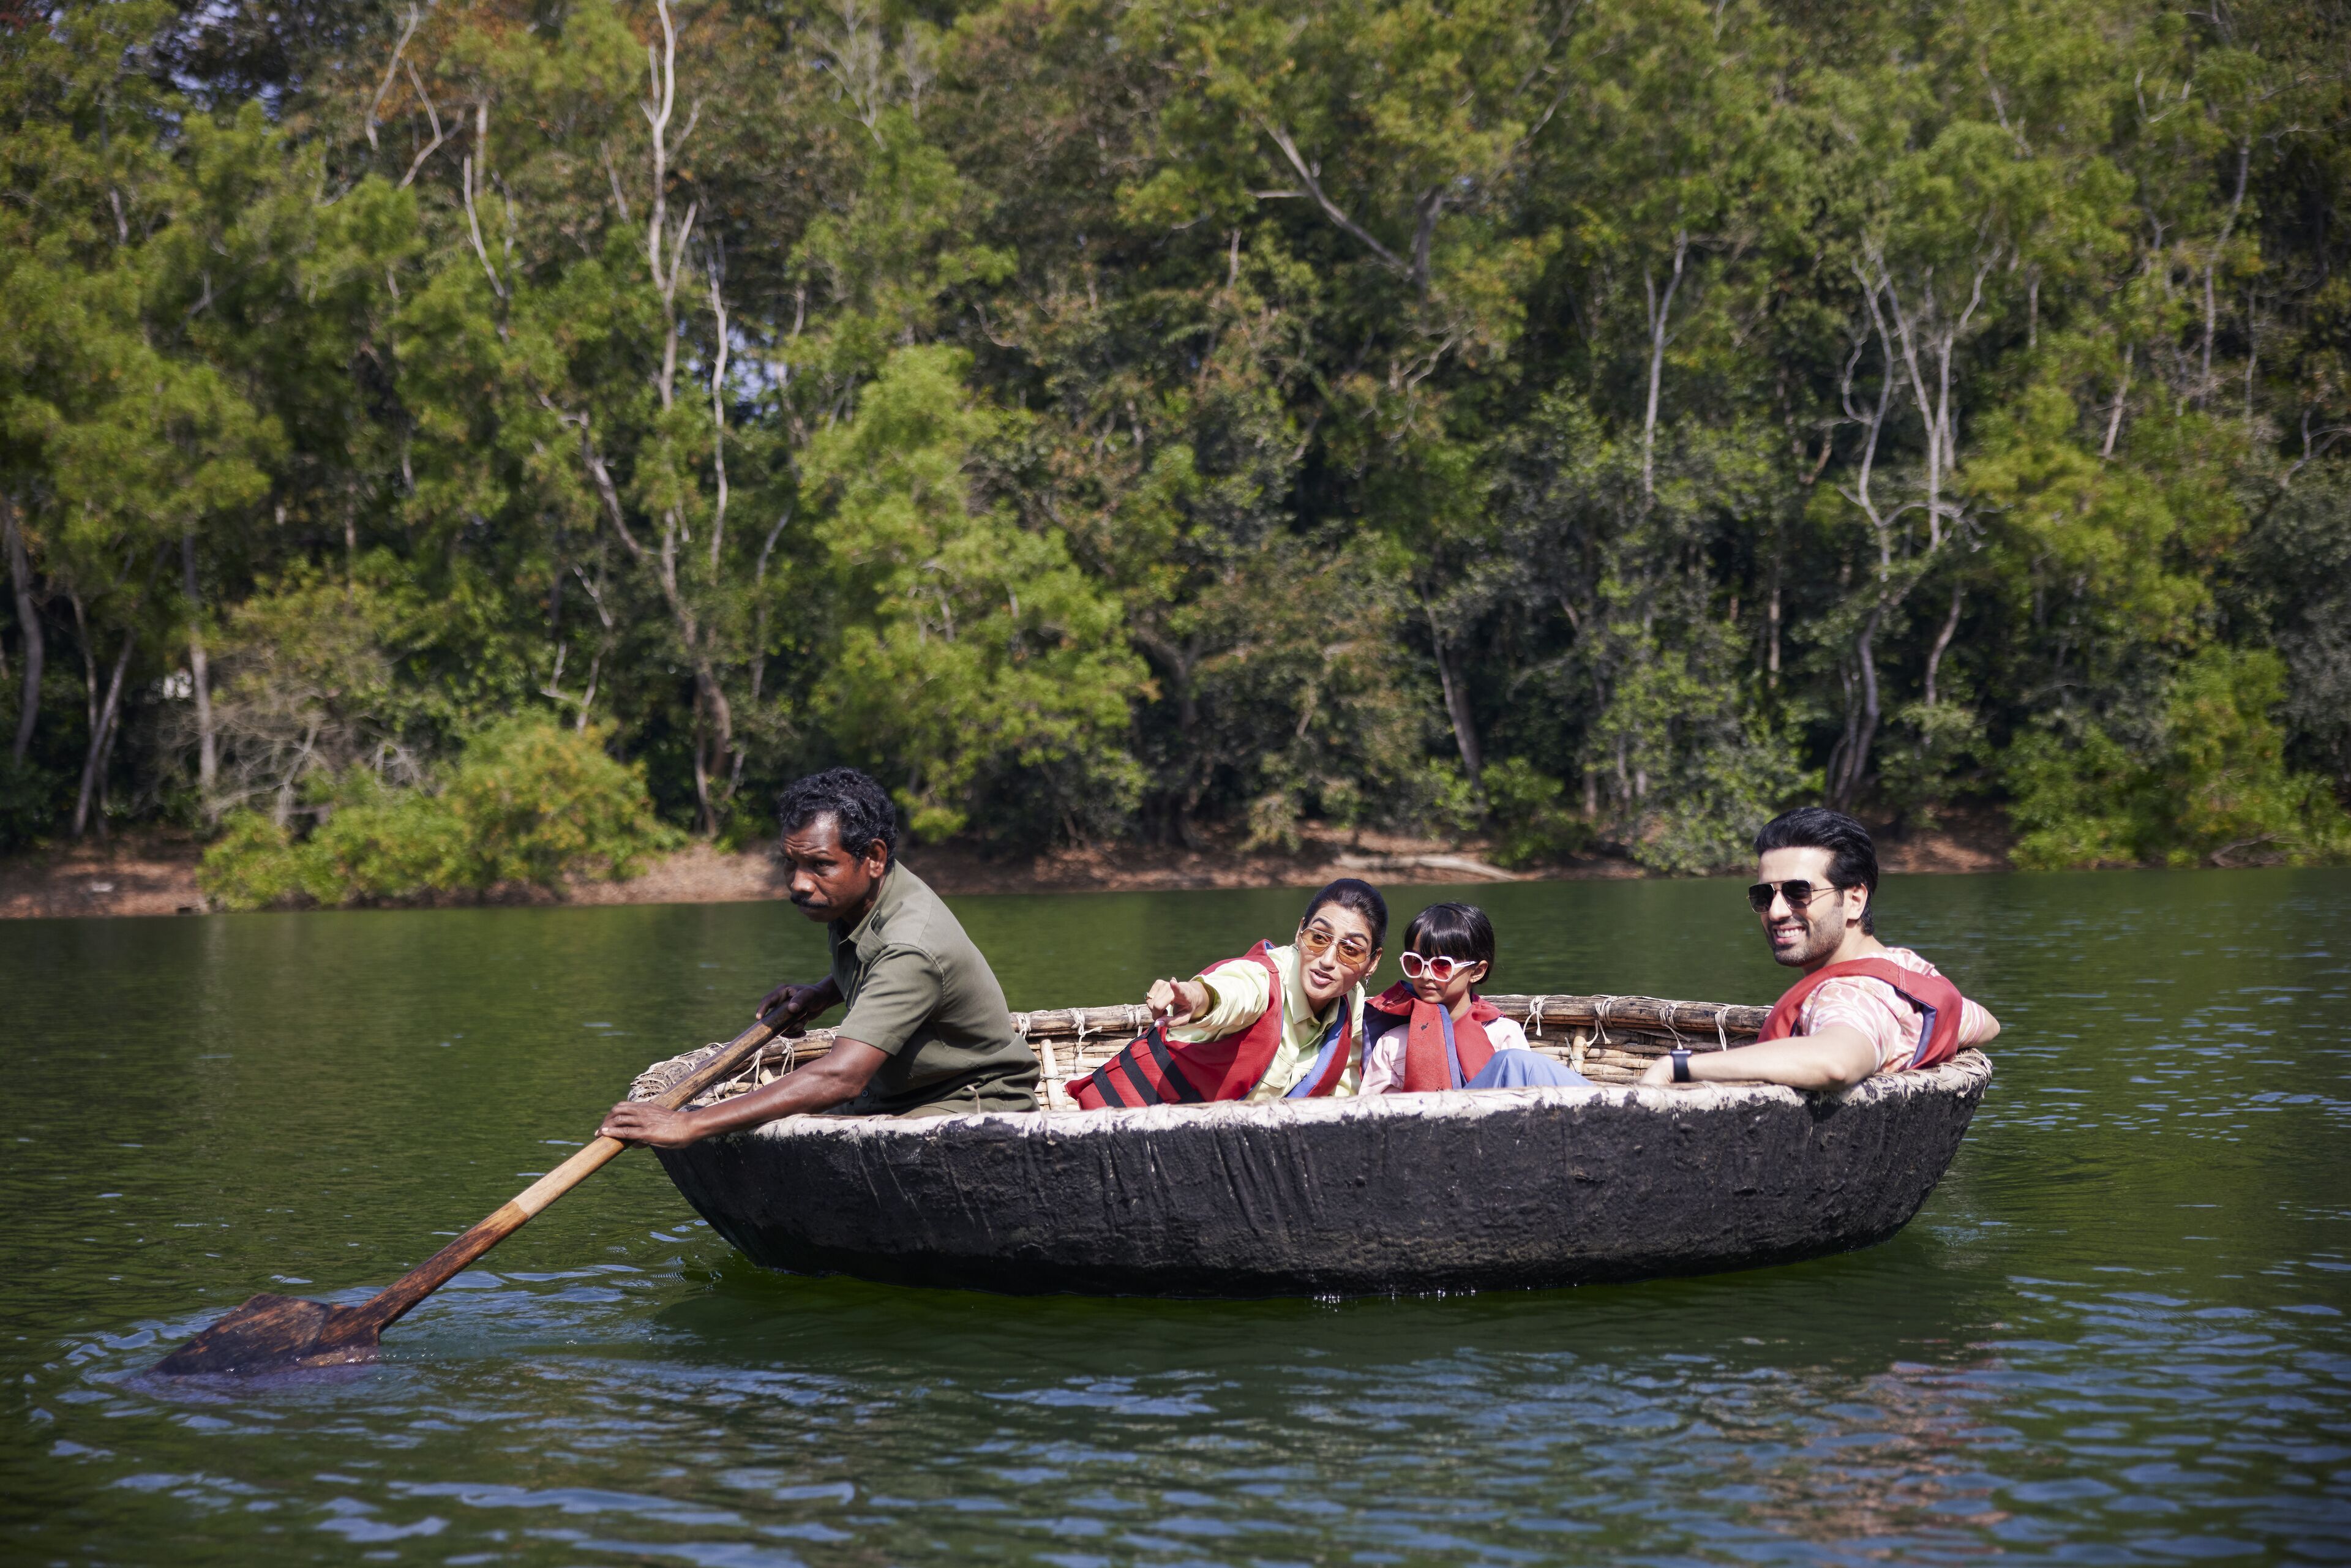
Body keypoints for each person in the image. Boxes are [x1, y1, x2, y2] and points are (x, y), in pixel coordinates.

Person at [599, 768, 1038, 1146]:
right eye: (789, 863)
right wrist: (825, 992)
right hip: (906, 1091)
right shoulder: (856, 896)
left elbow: (841, 1076)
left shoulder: (910, 943)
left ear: (874, 857)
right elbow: (876, 964)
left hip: (975, 1103)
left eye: (819, 865)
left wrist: (688, 1124)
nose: (800, 883)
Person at [1641, 806, 2000, 1092]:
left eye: (1799, 893)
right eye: (1765, 895)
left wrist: (1679, 1066)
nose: (1778, 912)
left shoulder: (1846, 999)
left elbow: (1836, 1061)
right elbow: (1985, 1023)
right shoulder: (1905, 969)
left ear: (1855, 900)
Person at [1070, 879, 1387, 1108]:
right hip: (1122, 1124)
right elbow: (1231, 992)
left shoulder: (1352, 1004)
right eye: (1319, 937)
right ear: (1300, 931)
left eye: (1351, 950)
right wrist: (1196, 997)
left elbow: (1343, 1098)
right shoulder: (1262, 979)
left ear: (1372, 963)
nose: (1328, 960)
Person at [1360, 901, 1593, 1092]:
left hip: (1497, 1132)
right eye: (1416, 963)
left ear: (1477, 971)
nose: (1426, 975)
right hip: (1428, 1137)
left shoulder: (1503, 1034)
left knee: (1513, 1063)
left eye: (1442, 965)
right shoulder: (1392, 1043)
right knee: (1514, 1063)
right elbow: (1374, 1114)